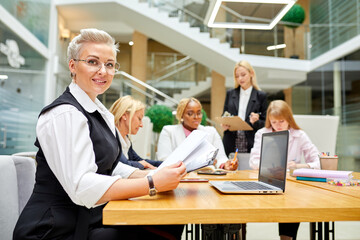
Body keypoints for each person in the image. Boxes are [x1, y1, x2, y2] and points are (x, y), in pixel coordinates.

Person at [13, 28, 186, 240]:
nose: (103, 71)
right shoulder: (64, 113)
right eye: (93, 62)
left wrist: (159, 175)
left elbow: (112, 168)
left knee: (171, 223)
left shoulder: (100, 112)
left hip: (86, 218)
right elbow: (82, 187)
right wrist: (152, 184)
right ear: (73, 65)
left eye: (110, 64)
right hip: (53, 229)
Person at [249, 100, 320, 240]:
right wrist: (270, 167)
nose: (277, 126)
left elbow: (318, 161)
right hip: (268, 180)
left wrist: (300, 166)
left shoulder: (299, 135)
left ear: (289, 119)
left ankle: (286, 237)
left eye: (281, 121)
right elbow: (253, 161)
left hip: (292, 186)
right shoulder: (262, 133)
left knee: (292, 205)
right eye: (274, 122)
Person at [157, 97, 238, 170]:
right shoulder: (168, 131)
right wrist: (198, 163)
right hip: (179, 180)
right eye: (190, 113)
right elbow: (164, 160)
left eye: (199, 113)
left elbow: (221, 157)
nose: (196, 117)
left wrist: (225, 165)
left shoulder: (211, 131)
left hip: (206, 178)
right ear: (181, 115)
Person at [222, 60, 268, 156]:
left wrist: (256, 122)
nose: (240, 78)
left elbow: (266, 124)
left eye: (243, 75)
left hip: (251, 141)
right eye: (237, 76)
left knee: (248, 169)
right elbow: (224, 114)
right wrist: (224, 124)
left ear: (251, 73)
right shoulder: (230, 94)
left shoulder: (261, 96)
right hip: (231, 139)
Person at [109, 95, 161, 170]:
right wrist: (140, 164)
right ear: (124, 115)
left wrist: (167, 163)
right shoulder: (111, 137)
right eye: (139, 119)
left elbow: (139, 160)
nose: (141, 125)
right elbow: (123, 165)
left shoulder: (125, 139)